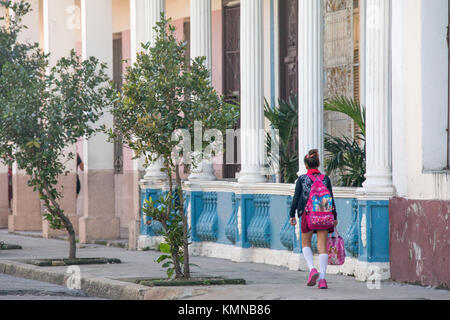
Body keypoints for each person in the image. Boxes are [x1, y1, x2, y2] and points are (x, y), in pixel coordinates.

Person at [289, 149, 338, 289]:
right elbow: (331, 198)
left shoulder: (302, 179)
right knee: (322, 247)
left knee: (306, 244)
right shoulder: (325, 179)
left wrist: (292, 214)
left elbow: (296, 198)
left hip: (307, 214)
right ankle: (322, 279)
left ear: (306, 165)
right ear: (319, 163)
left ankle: (312, 269)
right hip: (324, 213)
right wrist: (334, 216)